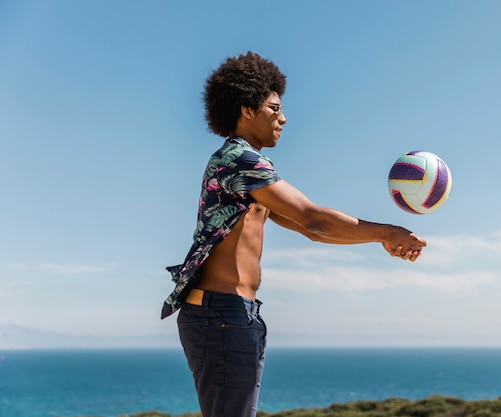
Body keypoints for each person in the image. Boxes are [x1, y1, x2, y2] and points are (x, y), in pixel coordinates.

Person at [161, 51, 427, 417]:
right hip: (220, 315)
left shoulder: (249, 169)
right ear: (246, 111)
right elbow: (313, 218)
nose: (283, 118)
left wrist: (381, 239)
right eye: (274, 108)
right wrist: (390, 230)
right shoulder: (240, 160)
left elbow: (310, 231)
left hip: (233, 314)